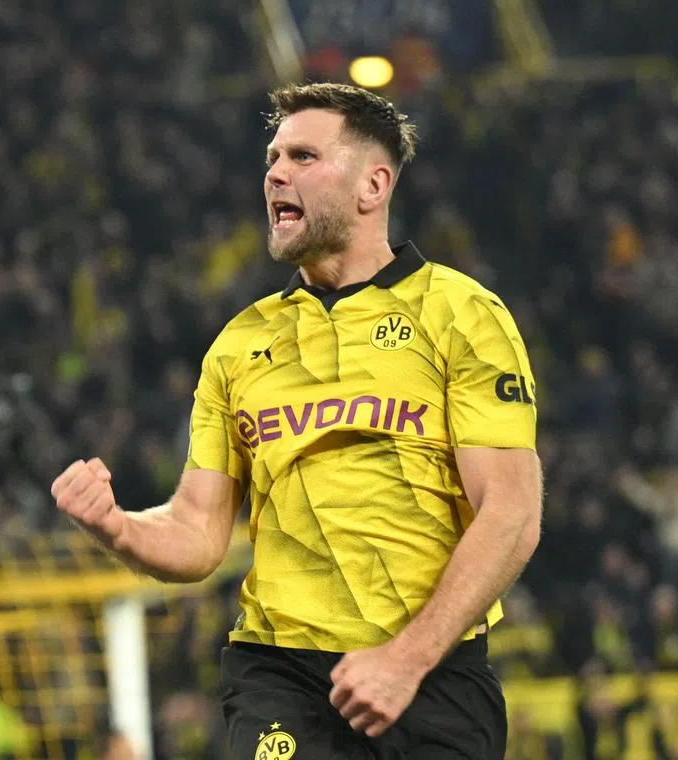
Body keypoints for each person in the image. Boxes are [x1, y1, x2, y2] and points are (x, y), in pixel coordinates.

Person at [51, 83, 541, 759]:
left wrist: (406, 658)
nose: (276, 173)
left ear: (373, 186)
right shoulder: (239, 346)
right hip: (280, 672)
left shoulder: (461, 314)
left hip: (434, 671)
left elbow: (512, 511)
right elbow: (197, 532)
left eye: (304, 156)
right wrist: (117, 526)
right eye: (273, 158)